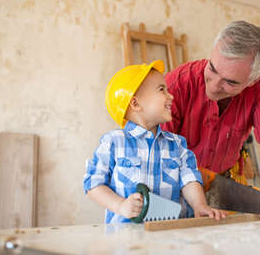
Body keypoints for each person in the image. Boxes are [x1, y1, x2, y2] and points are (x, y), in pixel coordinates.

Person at [162, 21, 260, 218]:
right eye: (212, 69)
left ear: (253, 80)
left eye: (230, 82)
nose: (214, 86)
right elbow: (159, 158)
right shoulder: (176, 85)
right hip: (174, 185)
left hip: (224, 182)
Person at [83, 60, 226, 223]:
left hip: (170, 234)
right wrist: (120, 205)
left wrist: (199, 205)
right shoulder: (114, 142)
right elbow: (93, 184)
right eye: (161, 90)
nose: (170, 95)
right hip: (126, 239)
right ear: (136, 103)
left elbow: (189, 179)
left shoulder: (177, 145)